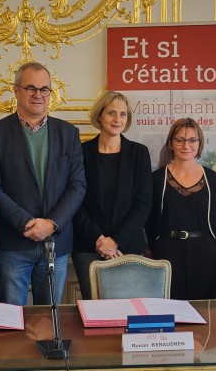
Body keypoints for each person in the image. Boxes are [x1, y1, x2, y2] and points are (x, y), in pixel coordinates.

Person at [0, 61, 86, 305]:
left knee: (49, 321)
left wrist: (51, 224)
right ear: (16, 90)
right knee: (11, 321)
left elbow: (77, 185)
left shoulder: (68, 133)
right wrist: (27, 222)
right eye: (31, 88)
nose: (38, 95)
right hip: (13, 243)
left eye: (44, 89)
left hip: (56, 243)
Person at [72, 91, 152, 299]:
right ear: (100, 116)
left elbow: (143, 204)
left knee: (128, 312)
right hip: (88, 246)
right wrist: (99, 240)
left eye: (123, 114)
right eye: (112, 113)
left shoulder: (139, 153)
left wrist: (115, 241)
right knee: (95, 313)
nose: (118, 119)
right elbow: (75, 201)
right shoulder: (81, 152)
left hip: (128, 247)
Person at [146, 117, 216, 300]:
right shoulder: (157, 179)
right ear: (171, 144)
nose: (186, 145)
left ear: (199, 143)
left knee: (205, 313)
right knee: (169, 311)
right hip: (167, 252)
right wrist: (159, 244)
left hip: (204, 253)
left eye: (192, 140)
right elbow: (150, 220)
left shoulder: (212, 178)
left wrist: (207, 243)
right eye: (179, 140)